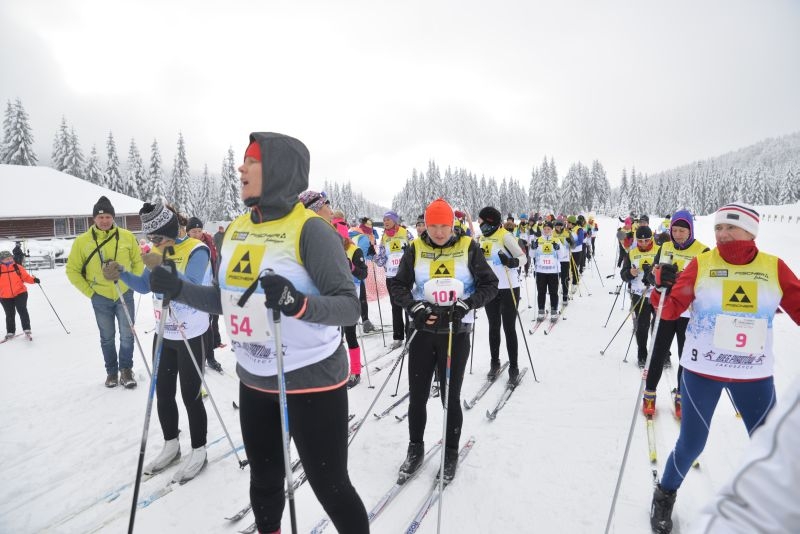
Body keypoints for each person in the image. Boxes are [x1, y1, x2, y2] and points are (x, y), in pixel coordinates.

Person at [149, 132, 369, 534]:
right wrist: (179, 289)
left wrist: (298, 303)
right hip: (254, 382)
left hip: (311, 381)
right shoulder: (235, 230)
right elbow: (224, 300)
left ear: (280, 172)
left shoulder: (311, 231)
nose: (240, 168)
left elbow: (349, 305)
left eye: (251, 160)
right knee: (264, 483)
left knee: (330, 487)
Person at [646, 203, 800, 534]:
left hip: (753, 375)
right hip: (702, 371)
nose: (722, 234)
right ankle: (665, 493)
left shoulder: (774, 267)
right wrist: (660, 287)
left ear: (751, 231)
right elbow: (670, 310)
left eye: (730, 228)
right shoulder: (703, 264)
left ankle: (768, 508)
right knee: (692, 444)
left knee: (766, 446)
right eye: (717, 228)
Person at [391, 198, 498, 483]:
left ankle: (450, 452)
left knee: (450, 398)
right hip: (423, 334)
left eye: (445, 226)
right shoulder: (415, 248)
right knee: (417, 396)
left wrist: (468, 303)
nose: (439, 232)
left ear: (453, 225)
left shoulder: (468, 247)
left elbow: (490, 285)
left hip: (455, 334)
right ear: (425, 225)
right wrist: (413, 307)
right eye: (433, 225)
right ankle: (415, 449)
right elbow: (398, 285)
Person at [105, 202, 211, 483]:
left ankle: (199, 449)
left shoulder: (196, 250)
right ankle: (171, 444)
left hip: (192, 333)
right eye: (151, 240)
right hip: (165, 333)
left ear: (171, 231)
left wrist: (163, 265)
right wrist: (122, 274)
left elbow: (193, 285)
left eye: (160, 238)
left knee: (191, 395)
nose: (156, 244)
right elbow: (144, 285)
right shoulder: (156, 251)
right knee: (162, 392)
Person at [689, 376, 800, 534]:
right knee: (691, 446)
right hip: (705, 368)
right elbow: (743, 518)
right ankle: (665, 494)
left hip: (752, 370)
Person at [66, 196, 144, 388]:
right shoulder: (82, 242)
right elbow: (72, 270)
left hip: (124, 293)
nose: (104, 220)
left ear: (113, 217)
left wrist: (131, 282)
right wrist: (90, 292)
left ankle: (126, 370)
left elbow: (138, 262)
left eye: (108, 216)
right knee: (107, 337)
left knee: (127, 334)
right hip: (100, 297)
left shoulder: (126, 237)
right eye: (100, 217)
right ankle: (111, 372)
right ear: (94, 219)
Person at [642, 210, 709, 417]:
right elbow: (650, 274)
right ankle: (650, 395)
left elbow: (708, 283)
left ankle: (681, 397)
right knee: (657, 353)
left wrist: (683, 279)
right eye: (675, 230)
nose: (678, 234)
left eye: (682, 230)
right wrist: (656, 279)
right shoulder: (665, 247)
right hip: (665, 309)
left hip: (688, 314)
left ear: (691, 230)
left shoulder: (703, 251)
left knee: (686, 356)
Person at [299, 190, 368, 388]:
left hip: (349, 299)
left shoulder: (354, 250)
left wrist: (351, 267)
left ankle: (355, 371)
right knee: (337, 338)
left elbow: (363, 274)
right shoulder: (315, 241)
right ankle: (339, 374)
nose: (342, 237)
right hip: (328, 301)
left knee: (350, 335)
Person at [477, 206, 526, 380]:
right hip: (490, 289)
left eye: (481, 220)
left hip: (509, 288)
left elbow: (523, 258)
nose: (479, 223)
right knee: (493, 327)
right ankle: (494, 362)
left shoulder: (505, 236)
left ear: (490, 221)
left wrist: (511, 261)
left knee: (509, 328)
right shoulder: (482, 238)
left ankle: (513, 367)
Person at [186, 216, 224, 372]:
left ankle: (210, 356)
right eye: (194, 231)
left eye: (199, 231)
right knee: (196, 327)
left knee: (211, 326)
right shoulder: (185, 247)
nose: (197, 234)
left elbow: (217, 263)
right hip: (194, 292)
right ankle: (196, 358)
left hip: (210, 290)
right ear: (188, 233)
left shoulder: (209, 243)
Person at [619, 226, 660, 369]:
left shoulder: (659, 252)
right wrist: (630, 273)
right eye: (640, 240)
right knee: (642, 327)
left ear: (651, 239)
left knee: (659, 325)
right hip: (639, 294)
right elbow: (623, 275)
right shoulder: (631, 253)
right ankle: (642, 354)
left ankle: (662, 354)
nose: (643, 243)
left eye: (646, 240)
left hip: (657, 294)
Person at [375, 210, 412, 350]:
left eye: (388, 219)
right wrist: (374, 256)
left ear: (395, 221)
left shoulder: (405, 233)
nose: (385, 222)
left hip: (405, 276)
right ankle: (398, 337)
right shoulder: (384, 236)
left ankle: (410, 337)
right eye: (384, 220)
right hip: (391, 277)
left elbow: (414, 250)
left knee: (408, 306)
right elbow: (382, 258)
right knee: (395, 307)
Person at [0, 250, 39, 340]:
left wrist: (34, 280)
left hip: (20, 293)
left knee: (22, 310)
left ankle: (27, 329)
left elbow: (26, 277)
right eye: (6, 259)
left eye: (10, 258)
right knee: (9, 314)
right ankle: (10, 332)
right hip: (5, 296)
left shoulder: (17, 267)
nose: (9, 260)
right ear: (1, 260)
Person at [531, 221, 563, 321]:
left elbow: (561, 256)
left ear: (552, 230)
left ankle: (554, 312)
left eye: (548, 229)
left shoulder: (556, 240)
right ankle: (541, 311)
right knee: (541, 292)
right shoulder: (538, 240)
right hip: (540, 271)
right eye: (544, 229)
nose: (546, 231)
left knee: (553, 292)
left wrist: (558, 249)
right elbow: (531, 255)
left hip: (553, 271)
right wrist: (533, 247)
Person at [552, 219, 573, 305]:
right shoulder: (552, 233)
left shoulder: (567, 233)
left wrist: (570, 242)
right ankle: (554, 295)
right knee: (555, 278)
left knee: (565, 278)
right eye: (556, 226)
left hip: (565, 259)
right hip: (555, 259)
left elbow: (574, 245)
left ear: (562, 226)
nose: (558, 228)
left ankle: (565, 295)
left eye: (559, 226)